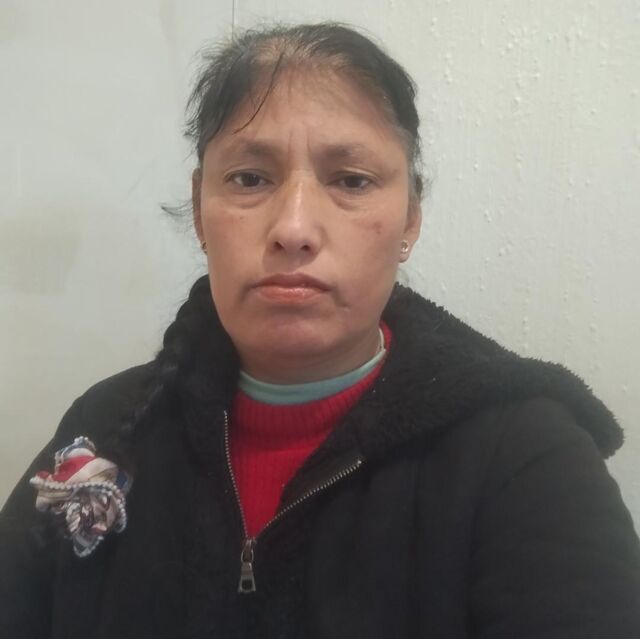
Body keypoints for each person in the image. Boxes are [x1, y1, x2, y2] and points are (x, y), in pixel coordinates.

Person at [1, 21, 639, 639]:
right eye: (250, 179)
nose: (294, 228)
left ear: (410, 219)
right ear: (199, 209)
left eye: (351, 181)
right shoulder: (109, 429)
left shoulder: (527, 458)